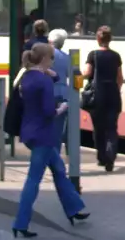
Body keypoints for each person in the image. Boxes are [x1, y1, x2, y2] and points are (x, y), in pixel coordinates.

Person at [12, 43, 89, 238]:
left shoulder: (27, 77)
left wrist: (52, 76)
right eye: (52, 58)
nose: (53, 62)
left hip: (29, 131)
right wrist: (62, 108)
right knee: (33, 179)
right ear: (46, 59)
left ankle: (74, 209)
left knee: (59, 170)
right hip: (44, 135)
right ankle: (20, 222)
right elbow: (48, 112)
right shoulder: (44, 82)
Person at [83, 26, 123, 172]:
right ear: (110, 39)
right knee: (112, 127)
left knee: (99, 128)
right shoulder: (116, 56)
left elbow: (87, 73)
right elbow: (120, 78)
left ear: (97, 39)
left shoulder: (93, 55)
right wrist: (116, 90)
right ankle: (111, 157)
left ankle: (102, 157)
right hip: (112, 94)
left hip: (97, 96)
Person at [49, 29, 71, 154]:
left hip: (49, 92)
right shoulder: (67, 57)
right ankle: (56, 153)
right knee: (58, 128)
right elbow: (71, 74)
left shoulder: (46, 56)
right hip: (63, 94)